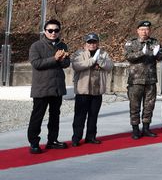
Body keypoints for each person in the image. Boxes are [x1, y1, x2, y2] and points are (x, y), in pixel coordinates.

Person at [27, 19, 71, 154]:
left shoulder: (62, 45)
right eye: (50, 30)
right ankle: (34, 142)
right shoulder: (36, 46)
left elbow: (66, 64)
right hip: (41, 88)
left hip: (57, 87)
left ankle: (52, 140)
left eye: (56, 30)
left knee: (55, 116)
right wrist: (55, 58)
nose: (53, 33)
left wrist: (63, 59)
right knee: (37, 116)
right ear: (45, 31)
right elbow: (36, 64)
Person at [124, 20, 162, 140]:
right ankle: (135, 129)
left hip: (150, 80)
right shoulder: (131, 43)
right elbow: (128, 57)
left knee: (149, 105)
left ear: (150, 31)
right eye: (142, 29)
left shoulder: (155, 42)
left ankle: (146, 128)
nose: (144, 32)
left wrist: (158, 54)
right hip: (135, 81)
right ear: (137, 31)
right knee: (134, 106)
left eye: (147, 29)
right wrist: (141, 53)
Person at [70, 33, 114, 146]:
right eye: (89, 42)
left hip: (97, 90)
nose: (92, 44)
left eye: (94, 42)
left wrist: (99, 60)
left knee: (93, 115)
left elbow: (109, 66)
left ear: (98, 43)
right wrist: (92, 61)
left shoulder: (103, 54)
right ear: (85, 43)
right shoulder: (79, 53)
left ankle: (91, 137)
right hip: (82, 91)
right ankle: (76, 138)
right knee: (80, 116)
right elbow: (77, 66)